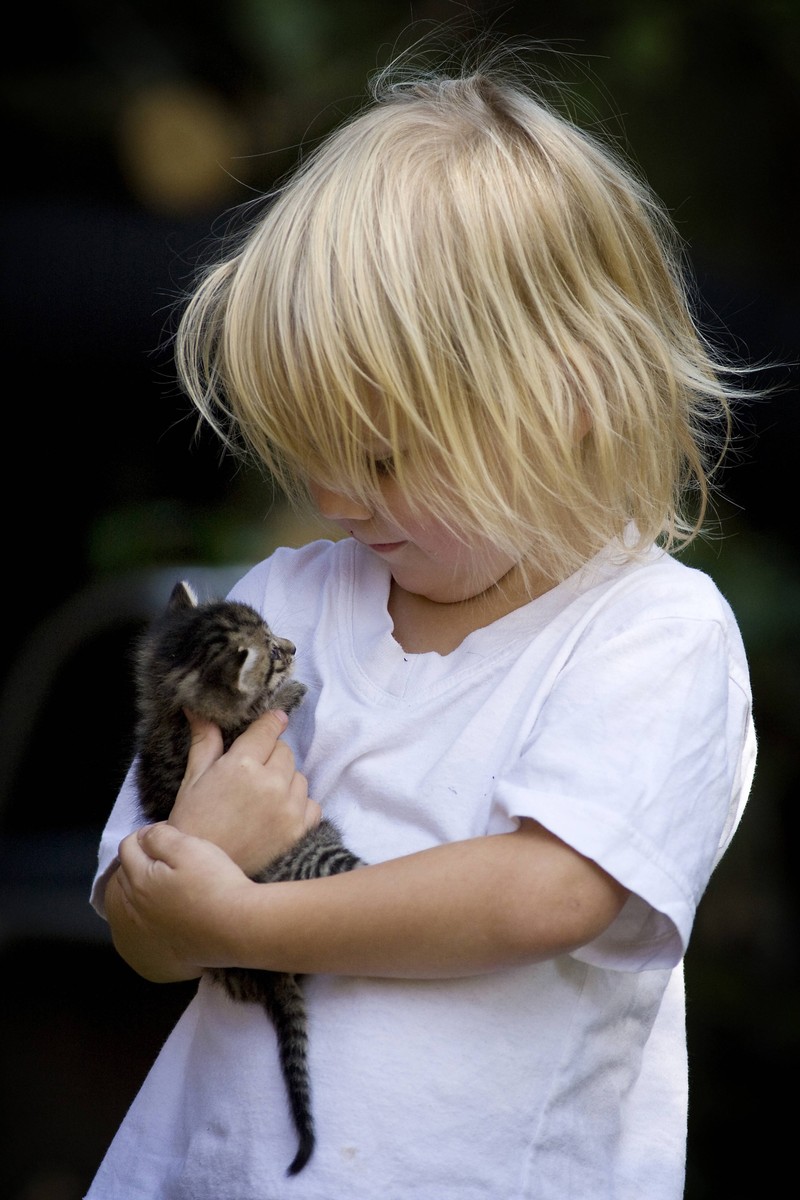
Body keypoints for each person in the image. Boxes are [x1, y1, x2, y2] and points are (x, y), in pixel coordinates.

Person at [85, 46, 756, 1200]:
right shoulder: (288, 601)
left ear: (573, 393)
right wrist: (191, 872)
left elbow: (543, 893)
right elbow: (143, 923)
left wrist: (245, 911)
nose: (341, 497)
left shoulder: (650, 631)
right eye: (314, 449)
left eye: (387, 453)